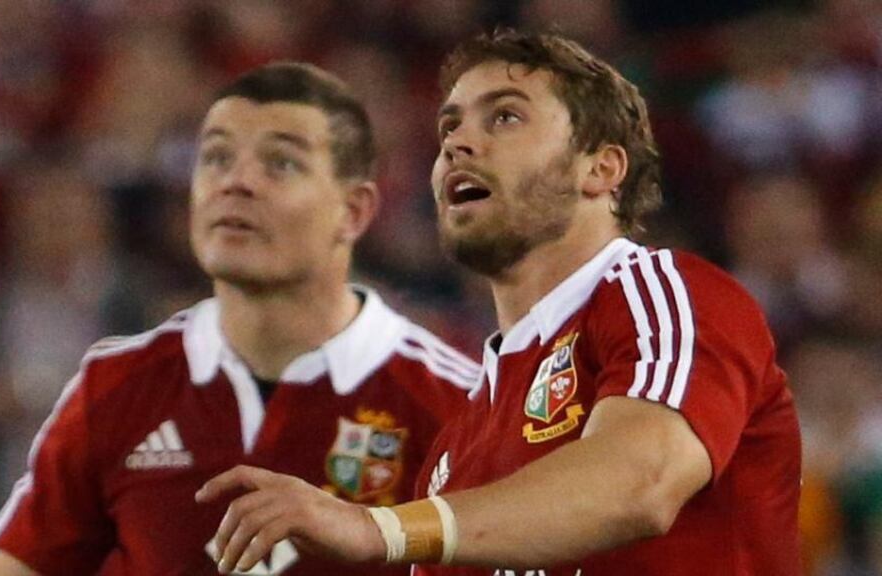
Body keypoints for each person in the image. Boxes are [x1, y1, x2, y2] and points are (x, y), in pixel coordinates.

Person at [198, 29, 802, 576]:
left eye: (505, 118)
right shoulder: (458, 445)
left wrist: (376, 527)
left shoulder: (663, 294)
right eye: (449, 128)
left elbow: (644, 481)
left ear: (600, 168)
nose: (459, 144)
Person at [0, 62, 480, 576]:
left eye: (280, 163)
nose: (235, 182)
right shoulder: (116, 386)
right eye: (215, 157)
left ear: (353, 211)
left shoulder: (452, 405)